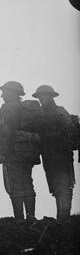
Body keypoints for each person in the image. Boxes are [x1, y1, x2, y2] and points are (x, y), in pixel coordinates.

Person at [0, 81, 42, 220]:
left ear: (12, 93)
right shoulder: (25, 108)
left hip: (14, 150)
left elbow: (5, 132)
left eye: (5, 92)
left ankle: (19, 219)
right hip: (29, 150)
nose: (2, 95)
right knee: (27, 181)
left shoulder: (7, 108)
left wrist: (1, 152)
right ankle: (31, 216)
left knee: (15, 184)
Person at [32, 84, 77, 220]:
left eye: (44, 96)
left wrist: (59, 139)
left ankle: (64, 216)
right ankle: (61, 216)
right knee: (55, 187)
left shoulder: (59, 111)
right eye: (40, 97)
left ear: (51, 97)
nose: (41, 99)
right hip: (48, 156)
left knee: (64, 185)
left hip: (61, 154)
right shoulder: (39, 113)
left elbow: (71, 130)